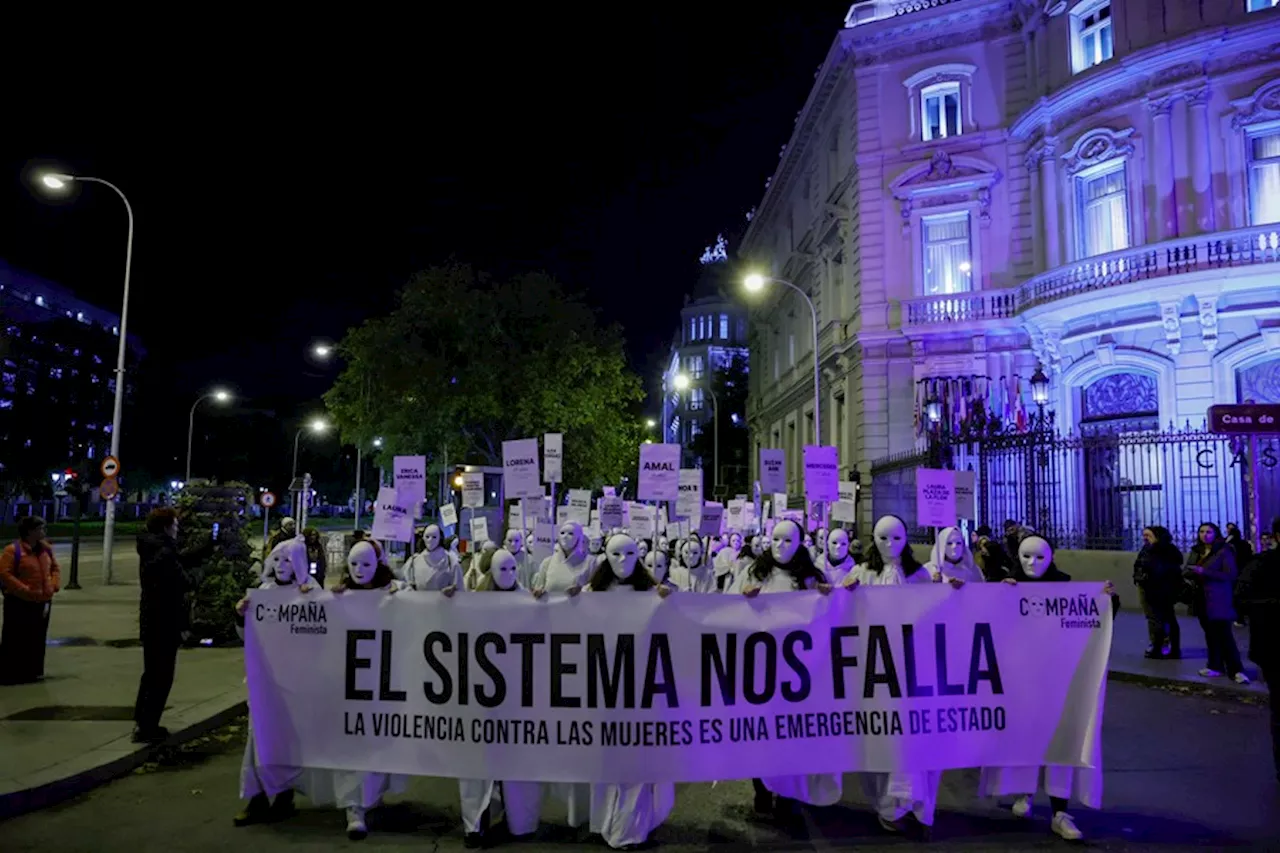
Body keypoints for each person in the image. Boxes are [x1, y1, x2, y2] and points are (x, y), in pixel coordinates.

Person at [133, 507, 213, 744]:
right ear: (167, 526)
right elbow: (183, 580)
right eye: (176, 524)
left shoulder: (155, 548)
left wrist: (206, 548)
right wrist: (199, 575)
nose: (178, 528)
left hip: (152, 620)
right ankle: (147, 726)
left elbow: (182, 558)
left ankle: (143, 720)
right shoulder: (163, 553)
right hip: (164, 622)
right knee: (161, 675)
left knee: (151, 673)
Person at [1238, 517, 1280, 781]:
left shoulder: (1260, 564)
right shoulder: (1262, 564)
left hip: (1271, 647)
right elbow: (1242, 600)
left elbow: (1241, 600)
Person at [1184, 522, 1249, 684]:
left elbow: (1230, 574)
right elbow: (1186, 569)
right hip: (1200, 597)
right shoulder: (1196, 551)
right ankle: (1215, 665)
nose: (1205, 535)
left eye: (1209, 532)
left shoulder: (1223, 551)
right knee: (1210, 633)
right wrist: (1191, 572)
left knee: (1224, 634)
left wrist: (1204, 572)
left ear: (1216, 534)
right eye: (1201, 531)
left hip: (1218, 597)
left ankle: (1236, 669)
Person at [0, 516, 60, 685]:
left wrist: (53, 586)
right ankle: (10, 673)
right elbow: (5, 573)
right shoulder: (13, 550)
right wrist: (23, 589)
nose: (44, 531)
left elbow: (55, 568)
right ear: (30, 532)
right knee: (16, 637)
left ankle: (33, 671)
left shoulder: (46, 549)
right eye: (41, 528)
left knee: (37, 636)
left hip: (42, 600)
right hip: (19, 601)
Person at [1134, 526, 1183, 659]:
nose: (1145, 538)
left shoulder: (1166, 550)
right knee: (1152, 617)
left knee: (1164, 618)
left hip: (1161, 589)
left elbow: (1167, 570)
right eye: (1143, 535)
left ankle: (1164, 645)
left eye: (1148, 535)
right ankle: (1156, 643)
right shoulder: (1147, 549)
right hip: (1145, 587)